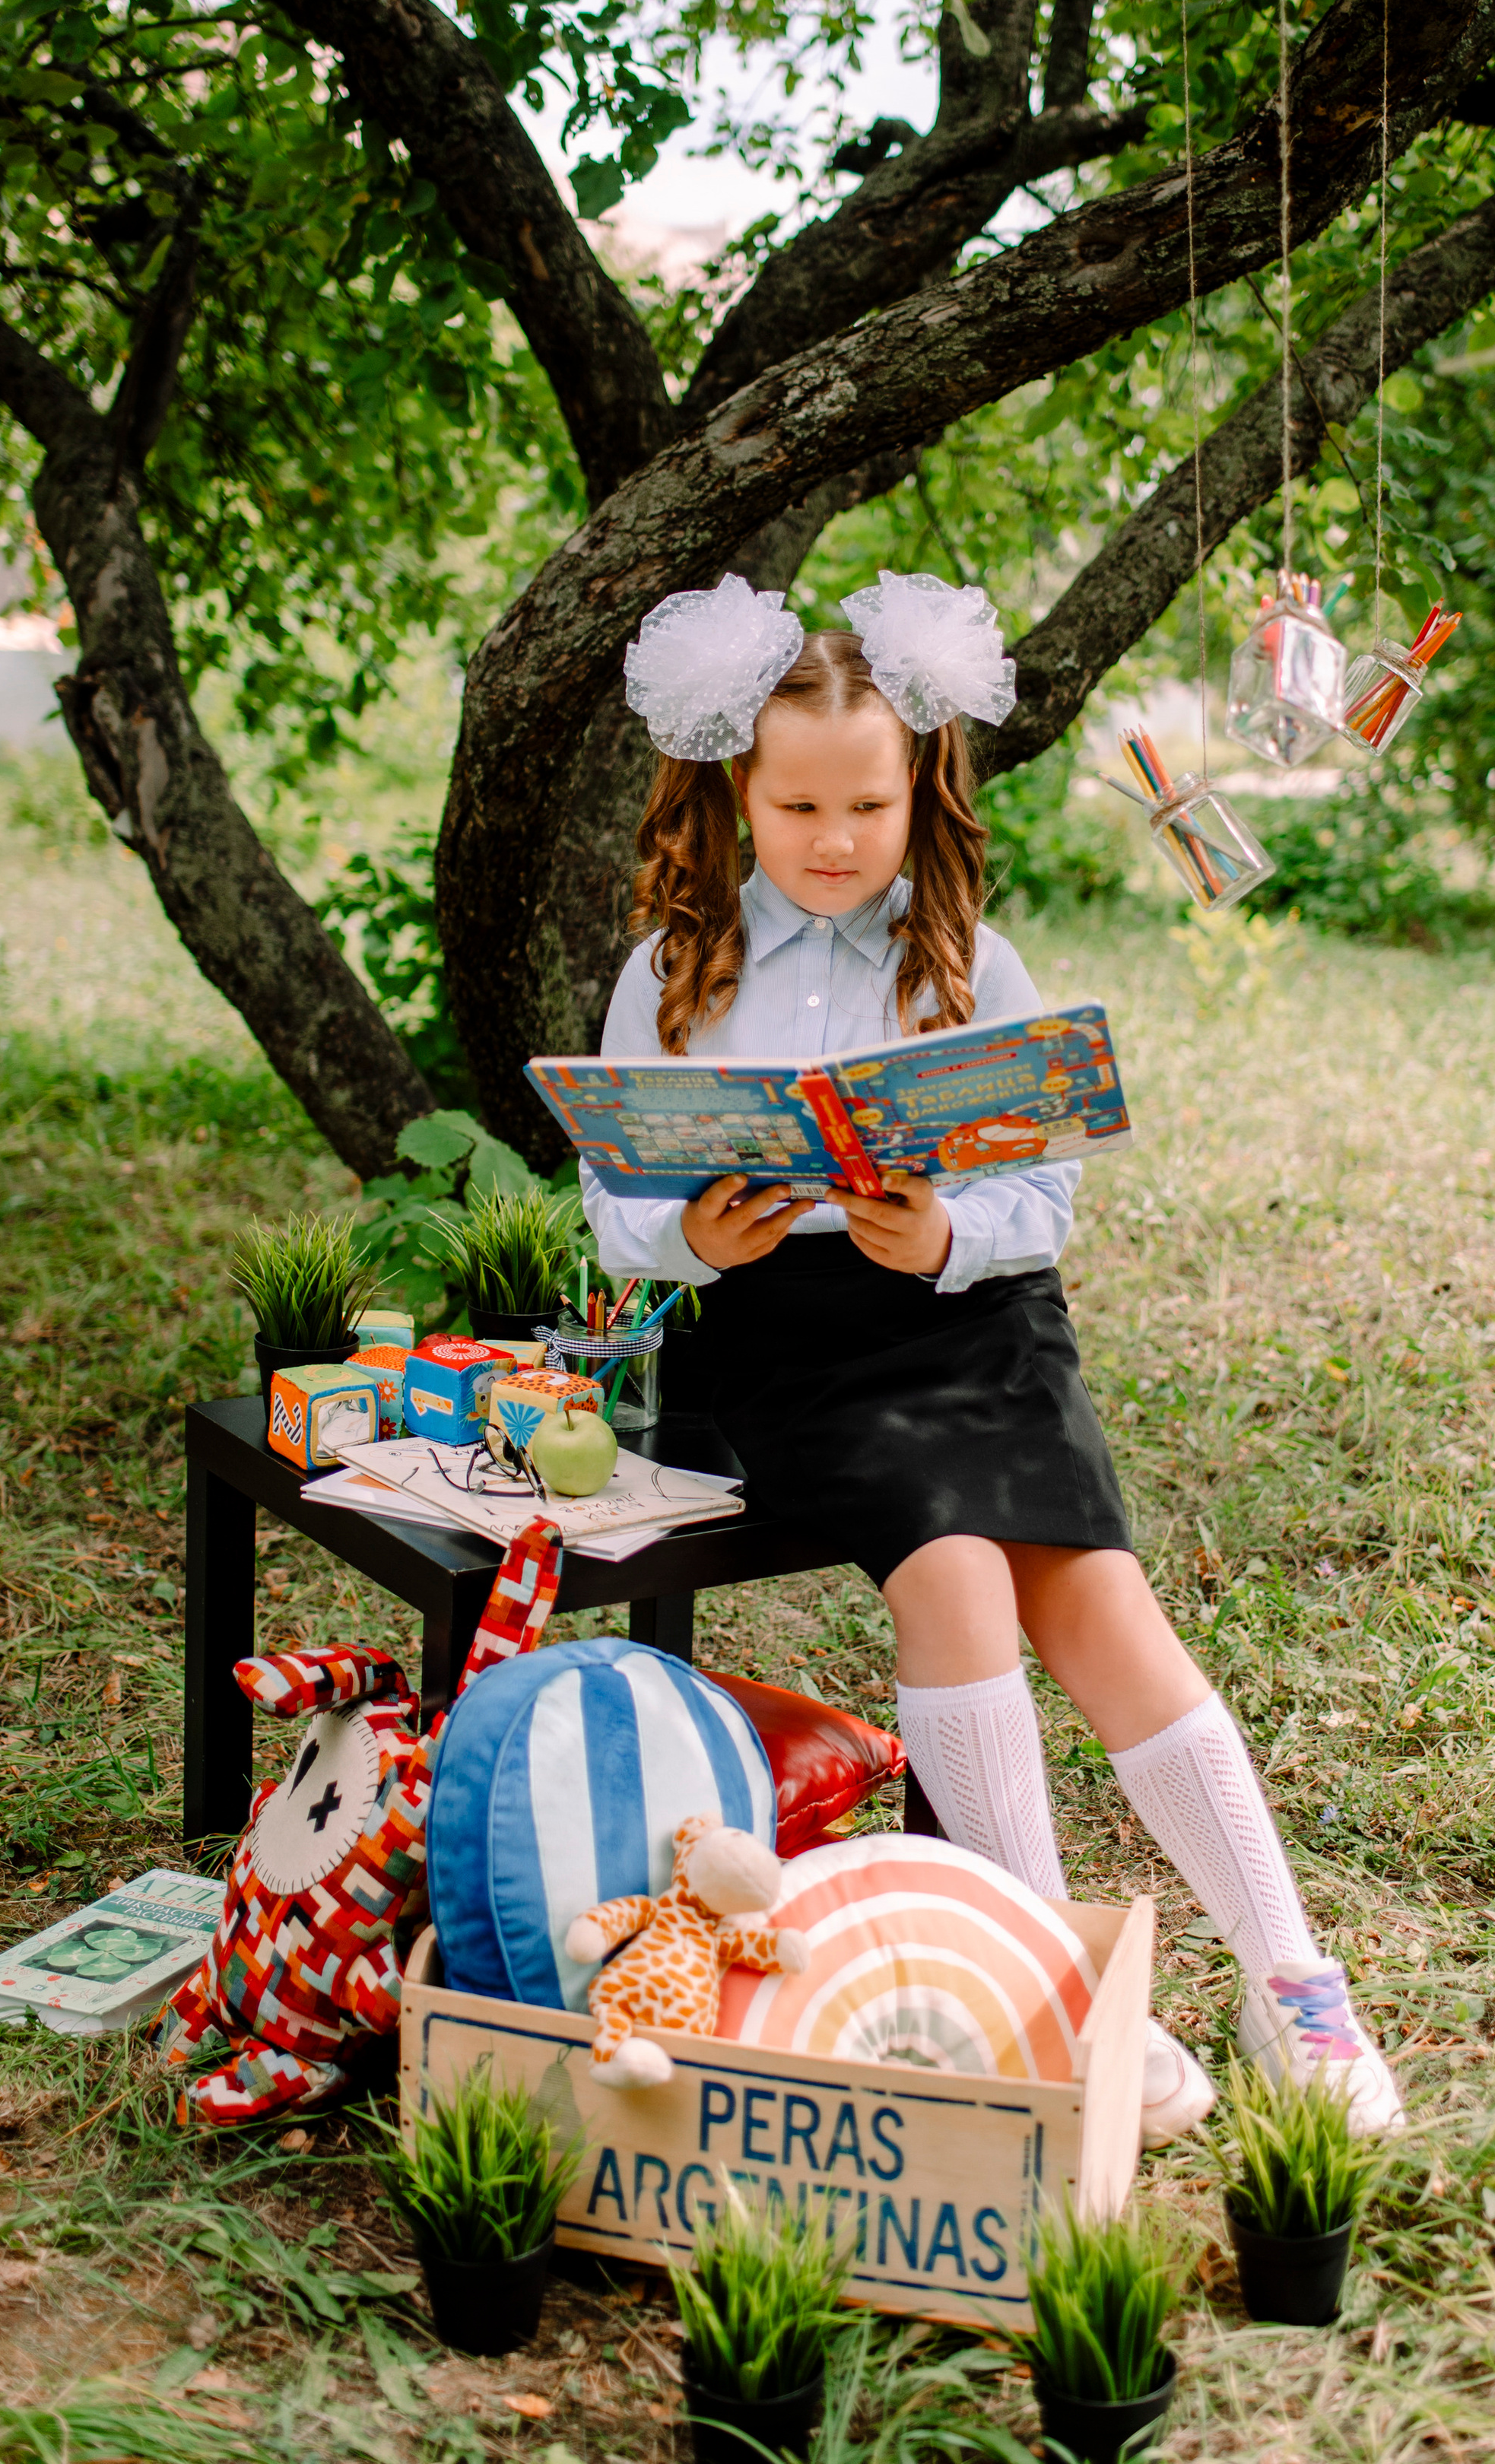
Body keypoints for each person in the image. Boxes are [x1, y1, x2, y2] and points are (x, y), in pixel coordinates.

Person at [579, 568, 1403, 2143]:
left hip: (970, 1319)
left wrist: (942, 1237)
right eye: (798, 804)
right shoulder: (671, 973)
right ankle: (1058, 1987)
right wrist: (703, 1242)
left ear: (919, 792)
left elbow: (1038, 1197)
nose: (834, 839)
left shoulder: (968, 960)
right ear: (734, 796)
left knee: (1099, 1597)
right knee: (952, 1571)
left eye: (867, 806)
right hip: (780, 1345)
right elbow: (620, 1214)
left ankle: (1288, 1975)